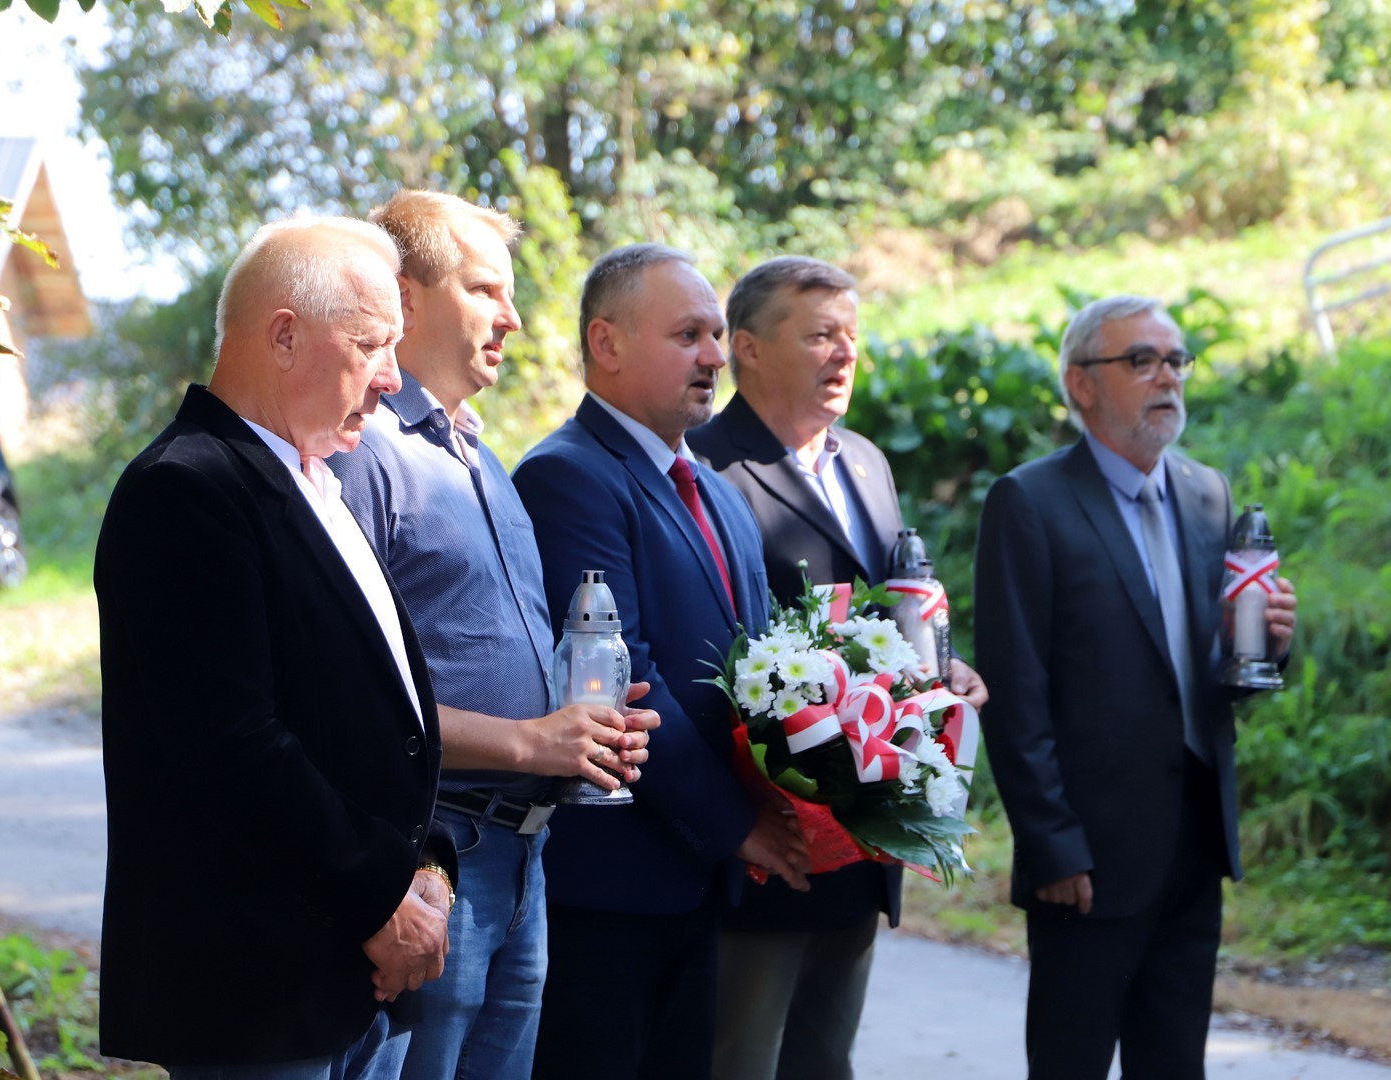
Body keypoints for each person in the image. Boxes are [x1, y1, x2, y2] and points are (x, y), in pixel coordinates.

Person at [94, 217, 457, 1079]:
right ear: (284, 335)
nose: (393, 377)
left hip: (352, 977)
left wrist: (427, 874)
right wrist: (382, 896)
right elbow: (232, 748)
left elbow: (374, 718)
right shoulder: (185, 488)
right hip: (260, 990)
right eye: (371, 344)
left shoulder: (315, 482)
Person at [328, 190, 658, 1080]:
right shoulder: (362, 453)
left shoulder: (480, 454)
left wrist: (579, 725)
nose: (512, 317)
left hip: (522, 854)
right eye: (484, 290)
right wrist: (530, 740)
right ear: (404, 296)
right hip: (431, 855)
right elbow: (347, 700)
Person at [973, 295, 1298, 1078]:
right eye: (1141, 361)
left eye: (1176, 360)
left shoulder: (1208, 493)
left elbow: (1215, 674)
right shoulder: (1031, 501)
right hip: (1087, 856)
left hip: (1193, 843)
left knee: (1176, 1064)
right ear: (1081, 384)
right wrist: (1051, 845)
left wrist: (1267, 642)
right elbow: (1016, 693)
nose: (1167, 377)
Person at [512, 244, 810, 1080]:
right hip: (610, 890)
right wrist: (739, 826)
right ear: (605, 343)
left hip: (699, 881)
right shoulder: (566, 477)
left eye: (716, 335)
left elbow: (762, 670)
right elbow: (627, 679)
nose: (715, 356)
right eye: (688, 335)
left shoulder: (716, 490)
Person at [692, 254, 989, 1080]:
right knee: (742, 1061)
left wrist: (946, 670)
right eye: (821, 334)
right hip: (771, 835)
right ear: (749, 348)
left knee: (827, 1061)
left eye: (851, 335)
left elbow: (895, 608)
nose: (845, 353)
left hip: (866, 834)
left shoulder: (865, 460)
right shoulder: (704, 465)